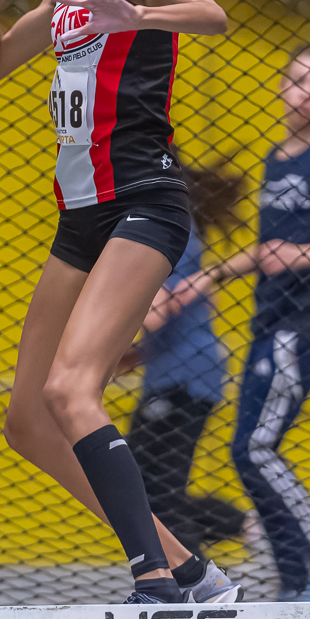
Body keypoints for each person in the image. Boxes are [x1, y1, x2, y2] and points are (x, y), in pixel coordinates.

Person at [0, 0, 242, 605]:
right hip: (80, 217)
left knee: (71, 392)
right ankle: (192, 572)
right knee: (27, 423)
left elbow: (211, 15)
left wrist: (137, 18)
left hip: (143, 202)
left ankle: (153, 579)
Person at [171, 46, 310, 601]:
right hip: (268, 321)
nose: (305, 94)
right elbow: (269, 249)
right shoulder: (275, 159)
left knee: (258, 449)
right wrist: (210, 276)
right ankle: (296, 583)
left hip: (304, 321)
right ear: (281, 86)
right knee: (245, 452)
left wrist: (303, 256)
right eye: (298, 81)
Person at [118, 159, 246, 558]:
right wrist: (136, 354)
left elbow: (158, 309)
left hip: (185, 377)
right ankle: (244, 526)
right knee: (142, 484)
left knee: (154, 487)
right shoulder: (169, 226)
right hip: (175, 372)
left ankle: (197, 574)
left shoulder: (167, 230)